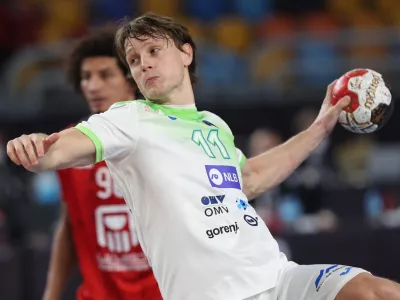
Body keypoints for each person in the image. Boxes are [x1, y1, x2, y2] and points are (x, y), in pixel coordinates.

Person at [7, 13, 400, 300]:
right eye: (133, 59)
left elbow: (250, 178)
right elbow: (62, 148)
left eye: (153, 50)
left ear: (186, 54)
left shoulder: (213, 124)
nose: (142, 62)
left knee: (378, 292)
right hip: (214, 294)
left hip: (279, 277)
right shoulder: (129, 119)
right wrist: (37, 150)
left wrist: (320, 127)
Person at [41, 27, 162, 300]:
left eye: (105, 75)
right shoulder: (67, 145)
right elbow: (70, 225)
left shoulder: (162, 133)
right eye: (86, 77)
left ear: (132, 80)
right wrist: (50, 295)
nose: (93, 86)